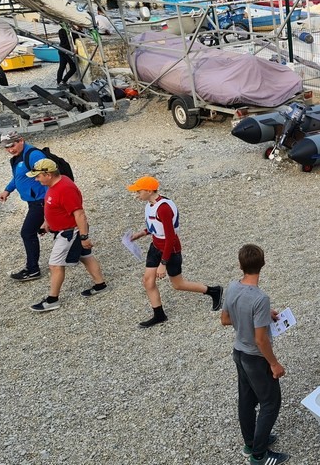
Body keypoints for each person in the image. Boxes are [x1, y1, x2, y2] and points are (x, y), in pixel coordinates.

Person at [220, 244, 288, 465]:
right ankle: (259, 455)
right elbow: (261, 340)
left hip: (238, 353)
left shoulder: (231, 288)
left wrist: (262, 316)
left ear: (240, 265)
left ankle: (250, 443)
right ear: (263, 264)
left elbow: (225, 319)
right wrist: (274, 364)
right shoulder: (260, 298)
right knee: (271, 403)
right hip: (255, 359)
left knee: (247, 401)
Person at [125, 176, 222, 328]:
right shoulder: (150, 204)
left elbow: (170, 237)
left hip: (170, 250)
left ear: (149, 191)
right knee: (148, 281)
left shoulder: (163, 208)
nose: (136, 195)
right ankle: (159, 315)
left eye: (138, 191)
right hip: (155, 246)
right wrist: (142, 233)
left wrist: (163, 263)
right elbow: (157, 226)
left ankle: (213, 291)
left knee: (178, 284)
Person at [26, 158, 107, 312]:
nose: (36, 179)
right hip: (66, 230)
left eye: (38, 176)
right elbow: (57, 207)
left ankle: (52, 300)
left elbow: (80, 215)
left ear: (48, 174)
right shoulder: (57, 183)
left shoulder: (65, 189)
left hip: (69, 233)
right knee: (86, 256)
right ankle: (100, 284)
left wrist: (84, 237)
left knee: (55, 265)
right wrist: (47, 223)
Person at [0, 132, 48, 282]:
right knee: (57, 227)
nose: (10, 150)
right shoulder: (17, 157)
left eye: (12, 145)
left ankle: (32, 270)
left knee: (27, 233)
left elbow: (49, 180)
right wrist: (8, 189)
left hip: (41, 202)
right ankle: (77, 253)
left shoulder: (34, 155)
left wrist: (48, 212)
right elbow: (18, 177)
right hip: (34, 201)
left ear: (21, 140)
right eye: (6, 147)